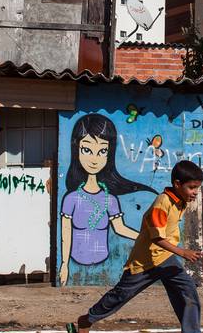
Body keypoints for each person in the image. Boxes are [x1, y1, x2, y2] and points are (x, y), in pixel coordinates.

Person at [66, 160, 203, 333]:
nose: (195, 192)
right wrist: (183, 252)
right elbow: (156, 238)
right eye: (192, 188)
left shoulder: (180, 201)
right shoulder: (162, 203)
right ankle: (86, 321)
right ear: (178, 184)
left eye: (197, 188)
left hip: (165, 259)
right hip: (144, 261)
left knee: (187, 290)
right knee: (120, 295)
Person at [58, 114, 154, 285]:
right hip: (76, 261)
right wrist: (64, 265)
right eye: (86, 150)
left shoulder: (110, 199)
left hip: (103, 262)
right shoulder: (71, 198)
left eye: (102, 151)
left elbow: (120, 229)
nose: (94, 159)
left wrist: (145, 238)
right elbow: (66, 233)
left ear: (109, 154)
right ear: (76, 150)